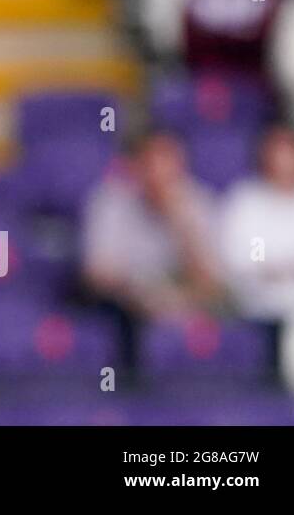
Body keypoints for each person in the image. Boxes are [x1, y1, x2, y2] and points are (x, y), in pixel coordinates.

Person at [81, 129, 225, 374]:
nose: (160, 174)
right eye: (151, 164)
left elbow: (212, 282)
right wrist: (143, 295)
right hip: (126, 305)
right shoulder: (110, 201)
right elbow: (97, 276)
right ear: (135, 167)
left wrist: (180, 223)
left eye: (169, 164)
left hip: (184, 300)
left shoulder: (198, 201)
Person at [219, 125, 294, 324]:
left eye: (291, 152)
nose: (284, 160)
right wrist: (266, 263)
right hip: (258, 308)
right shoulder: (248, 200)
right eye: (278, 152)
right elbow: (252, 251)